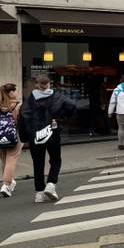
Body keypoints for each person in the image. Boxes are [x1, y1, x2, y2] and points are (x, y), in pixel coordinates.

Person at [21, 75, 75, 203]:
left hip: (35, 135)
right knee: (55, 160)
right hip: (52, 132)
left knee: (38, 163)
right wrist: (63, 118)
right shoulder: (57, 97)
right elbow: (72, 105)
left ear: (36, 85)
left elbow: (23, 117)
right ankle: (51, 184)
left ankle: (39, 193)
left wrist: (24, 136)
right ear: (49, 84)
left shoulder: (30, 100)